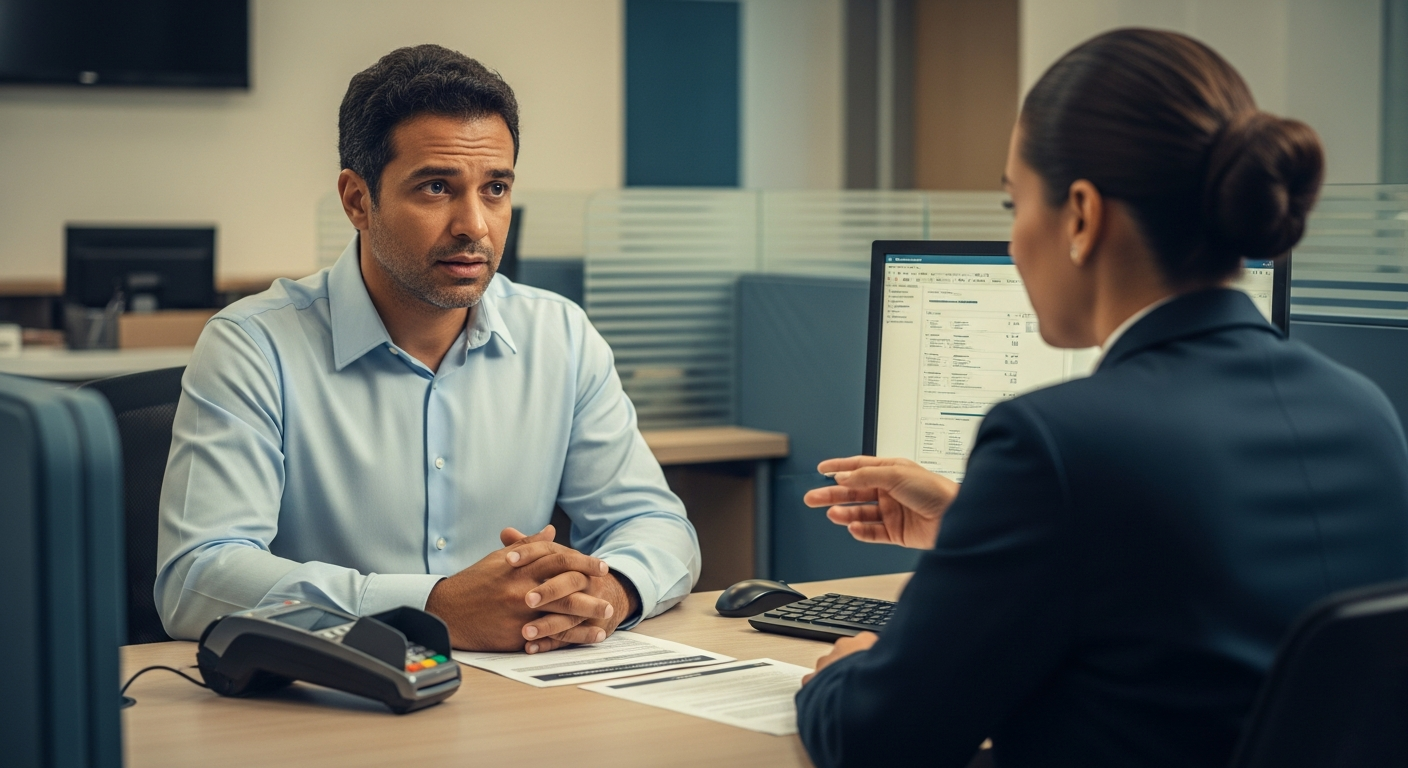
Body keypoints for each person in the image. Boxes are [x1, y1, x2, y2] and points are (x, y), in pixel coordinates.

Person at [795, 28, 1408, 768]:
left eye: (1011, 202)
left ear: (1081, 216)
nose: (1015, 238)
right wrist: (973, 522)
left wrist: (849, 670)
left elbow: (878, 740)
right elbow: (1187, 608)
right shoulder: (1364, 413)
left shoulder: (1057, 440)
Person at [155, 45, 700, 653]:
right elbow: (197, 578)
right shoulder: (254, 345)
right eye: (437, 187)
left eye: (495, 188)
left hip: (526, 688)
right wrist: (432, 608)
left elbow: (655, 525)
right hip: (334, 697)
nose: (475, 225)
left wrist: (608, 591)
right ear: (357, 200)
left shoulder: (560, 336)